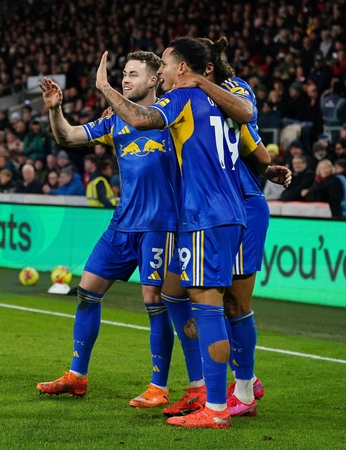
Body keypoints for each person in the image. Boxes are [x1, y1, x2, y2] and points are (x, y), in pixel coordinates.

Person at [96, 37, 247, 428]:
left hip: (204, 213)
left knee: (208, 307)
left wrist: (106, 88)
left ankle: (215, 408)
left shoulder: (182, 96)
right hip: (230, 211)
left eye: (163, 64)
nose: (160, 70)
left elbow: (141, 119)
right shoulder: (220, 99)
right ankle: (209, 391)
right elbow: (247, 116)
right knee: (176, 291)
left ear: (182, 67)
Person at [36, 51, 185, 411]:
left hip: (159, 225)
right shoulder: (115, 121)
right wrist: (56, 110)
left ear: (153, 79)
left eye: (133, 74)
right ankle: (77, 375)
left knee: (154, 301)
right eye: (124, 74)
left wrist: (104, 88)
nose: (125, 79)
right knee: (87, 291)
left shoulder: (171, 117)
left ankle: (159, 386)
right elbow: (68, 137)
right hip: (121, 224)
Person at [173, 36, 292, 418]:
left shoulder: (233, 90)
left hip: (239, 205)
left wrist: (263, 166)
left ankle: (242, 388)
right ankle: (224, 382)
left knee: (234, 304)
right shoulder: (185, 98)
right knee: (180, 293)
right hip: (210, 209)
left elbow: (250, 132)